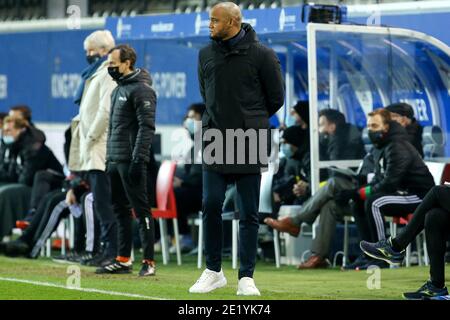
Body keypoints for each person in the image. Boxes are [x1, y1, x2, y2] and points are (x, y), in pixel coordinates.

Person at [189, 2, 284, 296]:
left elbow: (276, 98)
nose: (210, 25)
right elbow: (207, 93)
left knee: (248, 211)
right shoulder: (205, 53)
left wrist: (249, 118)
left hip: (249, 137)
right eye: (209, 20)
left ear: (233, 22)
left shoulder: (263, 55)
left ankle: (246, 278)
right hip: (215, 136)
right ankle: (214, 271)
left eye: (215, 21)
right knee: (211, 204)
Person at [336, 108, 434, 269]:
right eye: (368, 126)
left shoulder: (398, 146)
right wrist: (357, 193)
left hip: (420, 195)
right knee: (358, 202)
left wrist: (360, 192)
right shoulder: (381, 146)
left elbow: (389, 183)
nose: (370, 130)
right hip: (401, 193)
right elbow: (378, 178)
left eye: (374, 126)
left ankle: (382, 254)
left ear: (386, 127)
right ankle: (368, 255)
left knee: (374, 202)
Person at [96, 44, 157, 277]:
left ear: (127, 63)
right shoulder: (117, 90)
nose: (109, 67)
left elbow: (147, 127)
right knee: (120, 209)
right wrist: (108, 158)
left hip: (131, 160)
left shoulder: (142, 90)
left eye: (112, 63)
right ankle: (123, 260)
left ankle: (149, 262)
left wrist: (138, 159)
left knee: (141, 211)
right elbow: (114, 129)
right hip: (114, 159)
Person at [73, 30, 118, 267]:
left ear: (102, 50)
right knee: (99, 202)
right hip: (93, 146)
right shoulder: (97, 71)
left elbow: (105, 110)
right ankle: (104, 249)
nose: (88, 55)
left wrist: (90, 136)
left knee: (103, 201)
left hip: (100, 145)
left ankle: (112, 250)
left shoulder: (108, 71)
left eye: (91, 51)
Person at [360, 185, 450, 299]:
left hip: (416, 193)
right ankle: (436, 286)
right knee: (434, 216)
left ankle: (396, 246)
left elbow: (391, 180)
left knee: (437, 191)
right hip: (410, 192)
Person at [0, 116, 63, 239]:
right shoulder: (11, 147)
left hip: (44, 189)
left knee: (4, 194)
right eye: (4, 131)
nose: (5, 134)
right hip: (26, 185)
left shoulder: (34, 147)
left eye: (9, 131)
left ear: (21, 130)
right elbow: (9, 173)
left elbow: (26, 178)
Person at [171, 103, 204, 253]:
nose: (187, 121)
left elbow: (201, 175)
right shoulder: (194, 145)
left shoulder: (209, 142)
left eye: (192, 117)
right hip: (193, 189)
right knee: (168, 195)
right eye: (187, 118)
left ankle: (186, 238)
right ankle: (170, 236)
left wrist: (183, 182)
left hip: (203, 192)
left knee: (178, 196)